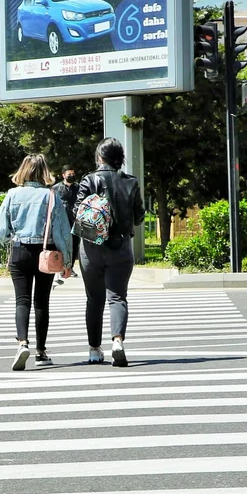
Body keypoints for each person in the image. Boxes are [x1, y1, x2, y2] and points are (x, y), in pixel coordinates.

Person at [0, 154, 73, 371]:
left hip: (19, 251)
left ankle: (22, 343)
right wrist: (67, 261)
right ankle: (41, 352)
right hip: (45, 253)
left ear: (24, 170)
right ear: (43, 172)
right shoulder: (51, 195)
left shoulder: (12, 195)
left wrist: (13, 238)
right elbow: (62, 231)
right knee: (41, 302)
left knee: (22, 300)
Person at [76, 137, 144, 367]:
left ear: (99, 157)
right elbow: (140, 216)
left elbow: (77, 211)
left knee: (94, 299)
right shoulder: (131, 182)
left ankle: (94, 349)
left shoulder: (88, 180)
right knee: (117, 296)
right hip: (121, 246)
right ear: (120, 158)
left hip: (91, 247)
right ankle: (117, 341)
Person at [53, 165, 80, 279]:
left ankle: (70, 267)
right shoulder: (56, 188)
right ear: (63, 175)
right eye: (69, 174)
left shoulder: (78, 188)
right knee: (59, 244)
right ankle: (58, 266)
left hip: (75, 220)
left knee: (74, 244)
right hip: (61, 221)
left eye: (73, 175)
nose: (71, 176)